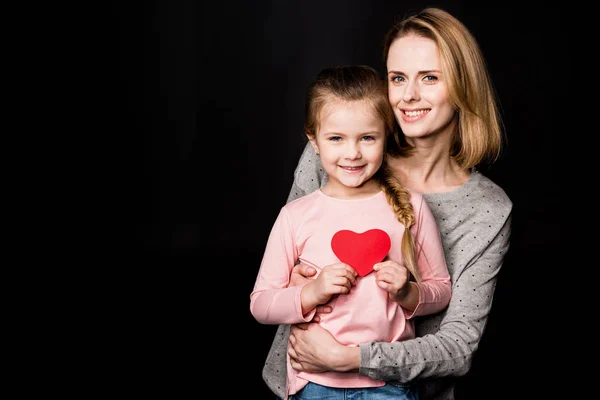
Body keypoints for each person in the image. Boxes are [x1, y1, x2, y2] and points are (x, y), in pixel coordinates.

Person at [261, 7, 512, 400]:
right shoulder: (342, 154)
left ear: (464, 86)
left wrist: (351, 357)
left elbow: (459, 346)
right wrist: (303, 292)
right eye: (398, 78)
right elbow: (287, 272)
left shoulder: (486, 208)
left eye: (429, 78)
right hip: (305, 383)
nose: (409, 95)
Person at [250, 64, 452, 400]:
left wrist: (407, 293)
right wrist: (312, 292)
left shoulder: (411, 206)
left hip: (389, 385)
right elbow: (261, 304)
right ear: (313, 140)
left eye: (368, 137)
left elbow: (442, 291)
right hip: (314, 384)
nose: (353, 153)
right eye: (336, 139)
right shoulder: (296, 215)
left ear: (387, 135)